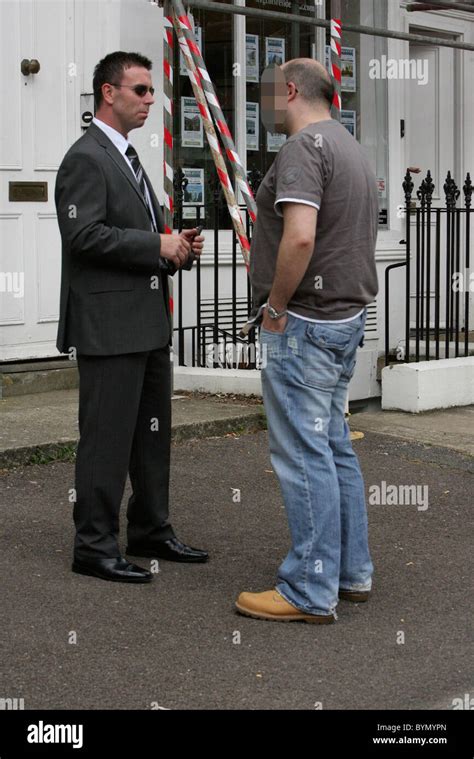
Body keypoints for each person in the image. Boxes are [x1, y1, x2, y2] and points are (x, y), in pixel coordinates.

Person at [55, 51, 208, 583]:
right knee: (107, 439)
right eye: (140, 90)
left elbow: (136, 236)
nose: (150, 100)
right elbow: (84, 236)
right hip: (107, 328)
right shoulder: (86, 157)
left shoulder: (126, 157)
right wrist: (156, 244)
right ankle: (93, 545)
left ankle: (149, 529)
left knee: (151, 435)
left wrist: (174, 247)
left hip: (146, 323)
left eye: (150, 91)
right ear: (108, 93)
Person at [235, 59, 379, 622]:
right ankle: (350, 572)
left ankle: (309, 591)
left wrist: (273, 308)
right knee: (335, 446)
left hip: (304, 325)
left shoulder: (302, 149)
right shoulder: (351, 147)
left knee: (303, 453)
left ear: (289, 90)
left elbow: (299, 238)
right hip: (344, 321)